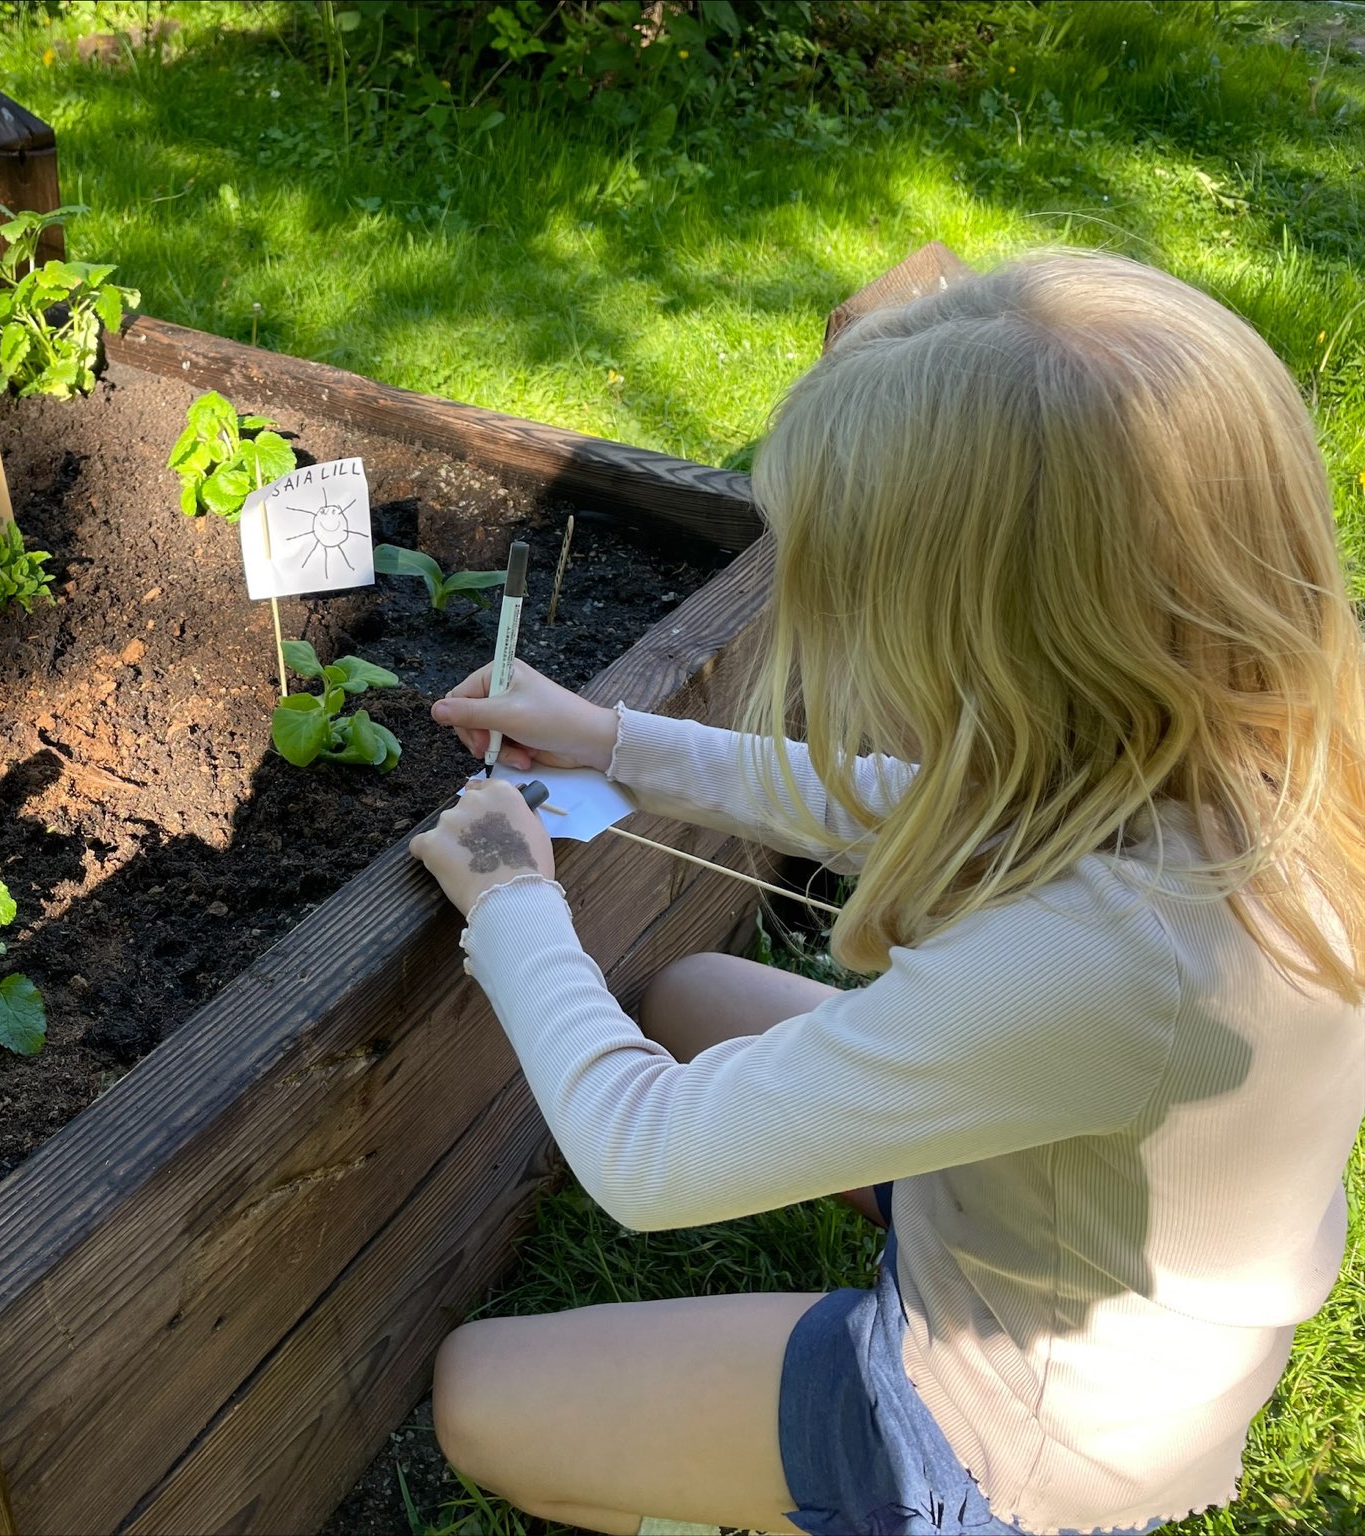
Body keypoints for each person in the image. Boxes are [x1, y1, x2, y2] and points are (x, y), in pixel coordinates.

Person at [407, 251, 1365, 1536]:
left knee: (477, 1396)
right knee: (685, 990)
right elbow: (910, 796)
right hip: (1113, 1274)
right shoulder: (1242, 758)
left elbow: (648, 1156)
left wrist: (513, 899)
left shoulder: (1101, 958)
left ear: (986, 649)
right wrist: (614, 741)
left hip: (1025, 1435)